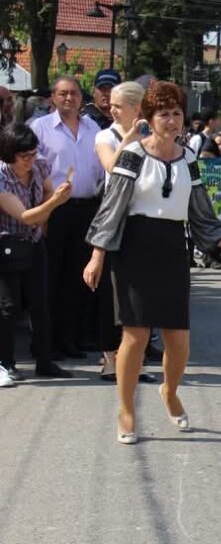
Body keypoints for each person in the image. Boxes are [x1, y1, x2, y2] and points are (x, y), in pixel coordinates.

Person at [83, 81, 221, 445]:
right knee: (136, 335)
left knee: (179, 340)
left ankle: (170, 391)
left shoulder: (189, 160)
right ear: (149, 117)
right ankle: (127, 410)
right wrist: (97, 254)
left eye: (177, 113)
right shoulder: (132, 154)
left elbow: (201, 214)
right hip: (133, 249)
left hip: (172, 250)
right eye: (164, 113)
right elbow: (111, 208)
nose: (172, 120)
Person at [29, 75, 107, 359]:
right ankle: (47, 342)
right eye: (62, 93)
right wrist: (44, 209)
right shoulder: (39, 128)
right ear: (53, 97)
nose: (68, 98)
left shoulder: (93, 128)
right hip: (53, 209)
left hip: (86, 208)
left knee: (79, 277)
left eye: (73, 93)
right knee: (50, 278)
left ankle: (71, 338)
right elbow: (30, 168)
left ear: (81, 98)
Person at [91, 81, 156, 383]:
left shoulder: (154, 136)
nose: (111, 109)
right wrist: (129, 137)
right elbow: (111, 166)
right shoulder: (105, 135)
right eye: (111, 104)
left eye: (118, 105)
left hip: (144, 219)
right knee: (111, 292)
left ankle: (137, 359)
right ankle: (108, 357)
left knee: (141, 292)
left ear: (136, 108)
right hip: (114, 217)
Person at [0, 124, 74, 383]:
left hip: (33, 242)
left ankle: (44, 360)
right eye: (24, 157)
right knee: (8, 307)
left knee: (41, 304)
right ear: (9, 154)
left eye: (33, 154)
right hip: (6, 245)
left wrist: (53, 199)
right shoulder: (1, 176)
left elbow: (46, 192)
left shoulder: (39, 165)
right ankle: (5, 363)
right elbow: (24, 215)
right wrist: (54, 203)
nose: (31, 161)